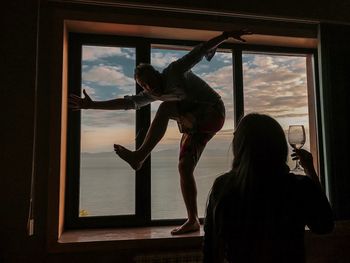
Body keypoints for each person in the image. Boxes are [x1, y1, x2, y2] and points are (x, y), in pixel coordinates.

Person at [69, 29, 252, 235]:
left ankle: (140, 156)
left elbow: (199, 52)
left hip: (213, 112)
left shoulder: (174, 71)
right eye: (143, 85)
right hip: (194, 124)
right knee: (184, 167)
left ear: (157, 74)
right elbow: (129, 102)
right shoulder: (152, 93)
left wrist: (225, 35)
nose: (149, 87)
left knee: (165, 107)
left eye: (150, 81)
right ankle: (192, 220)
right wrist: (92, 106)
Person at [203, 113, 334, 263]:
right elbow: (325, 225)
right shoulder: (297, 187)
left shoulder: (223, 187)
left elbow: (210, 251)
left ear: (240, 146)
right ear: (279, 145)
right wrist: (310, 170)